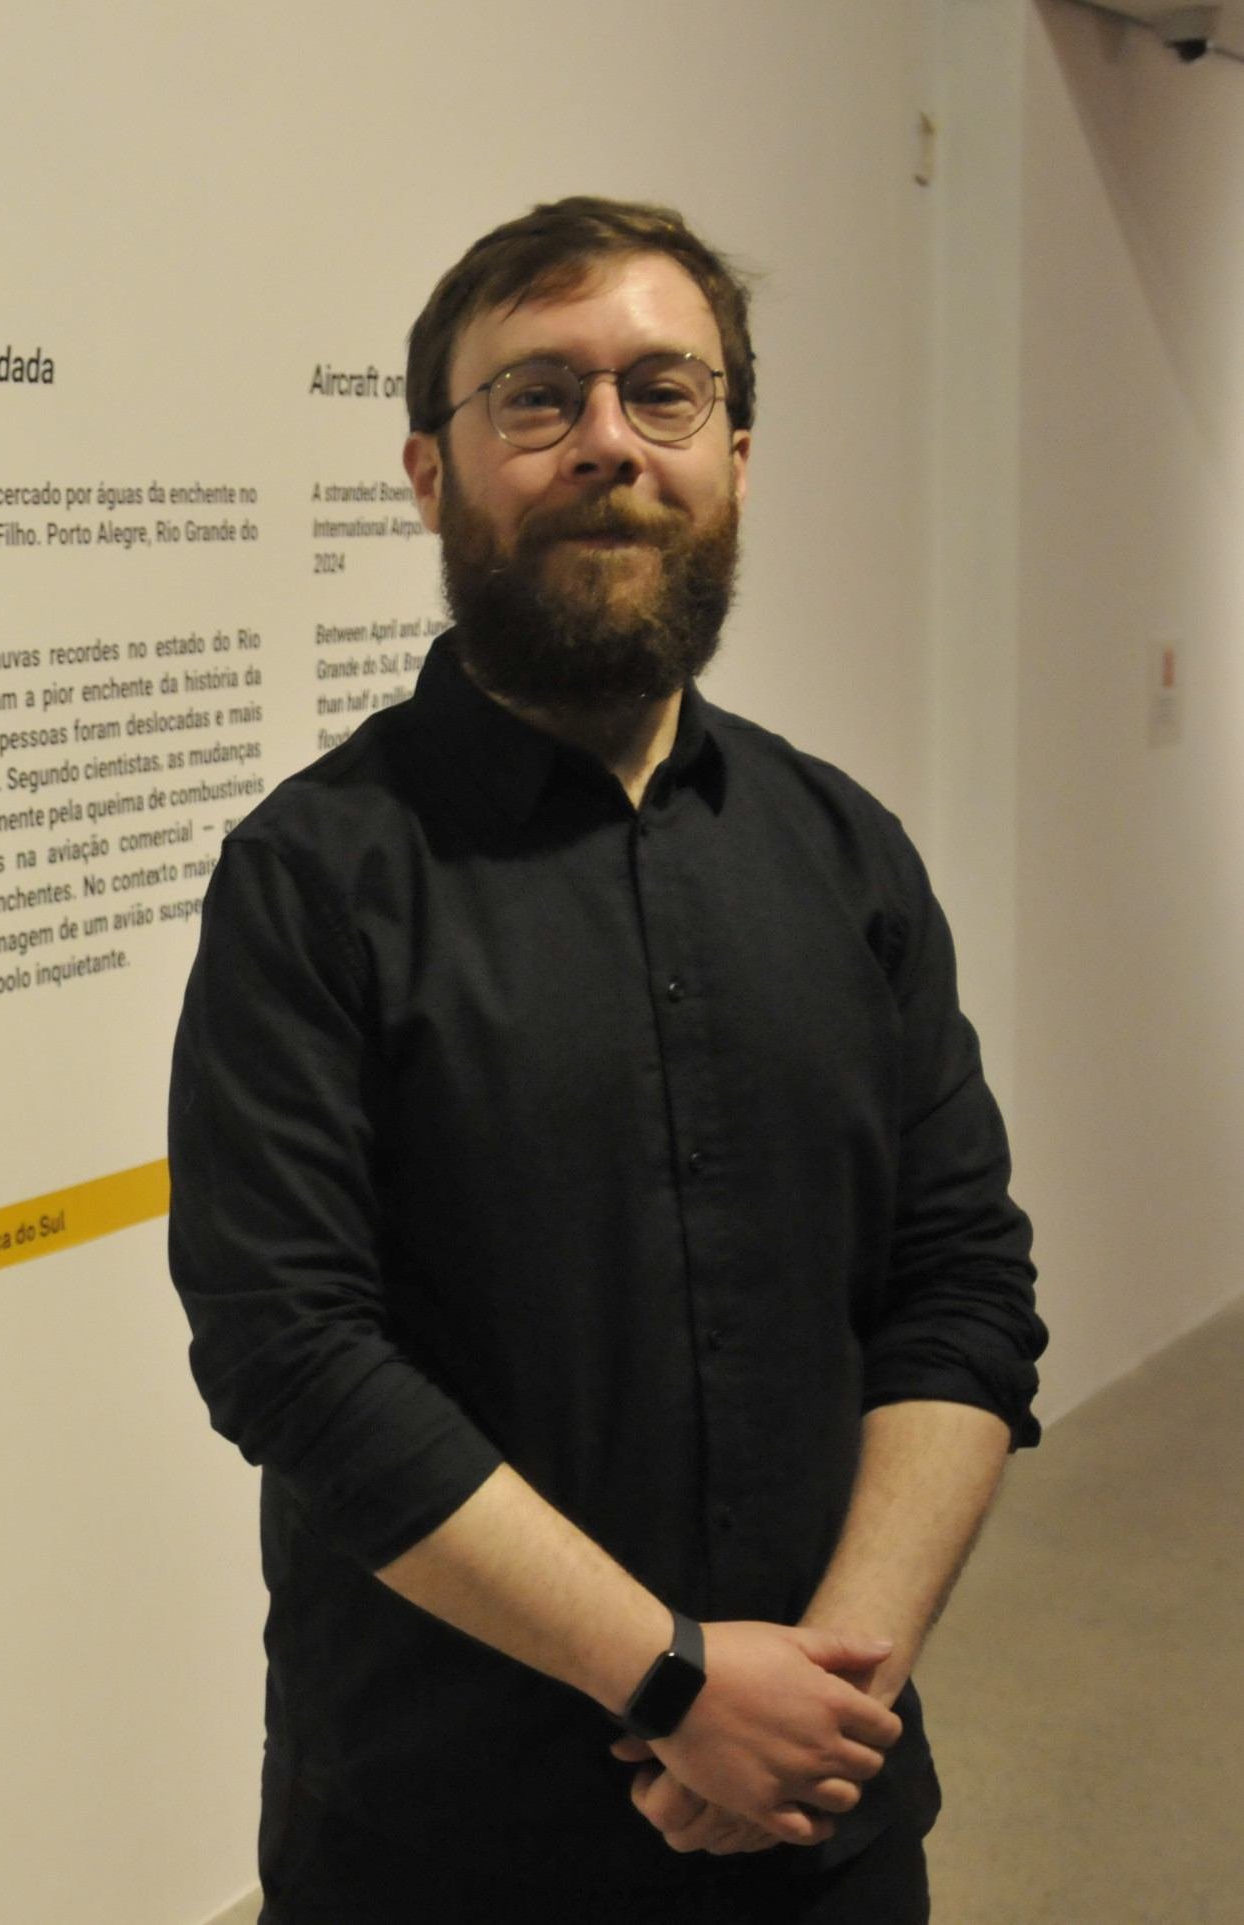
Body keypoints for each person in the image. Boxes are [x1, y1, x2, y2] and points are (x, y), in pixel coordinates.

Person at [167, 197, 1047, 1923]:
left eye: (663, 392)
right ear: (430, 473)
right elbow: (296, 1360)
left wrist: (829, 1691)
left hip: (822, 1815)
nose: (608, 445)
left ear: (735, 451)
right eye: (537, 397)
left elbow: (963, 1285)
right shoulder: (315, 877)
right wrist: (675, 1687)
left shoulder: (846, 853)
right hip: (445, 1839)